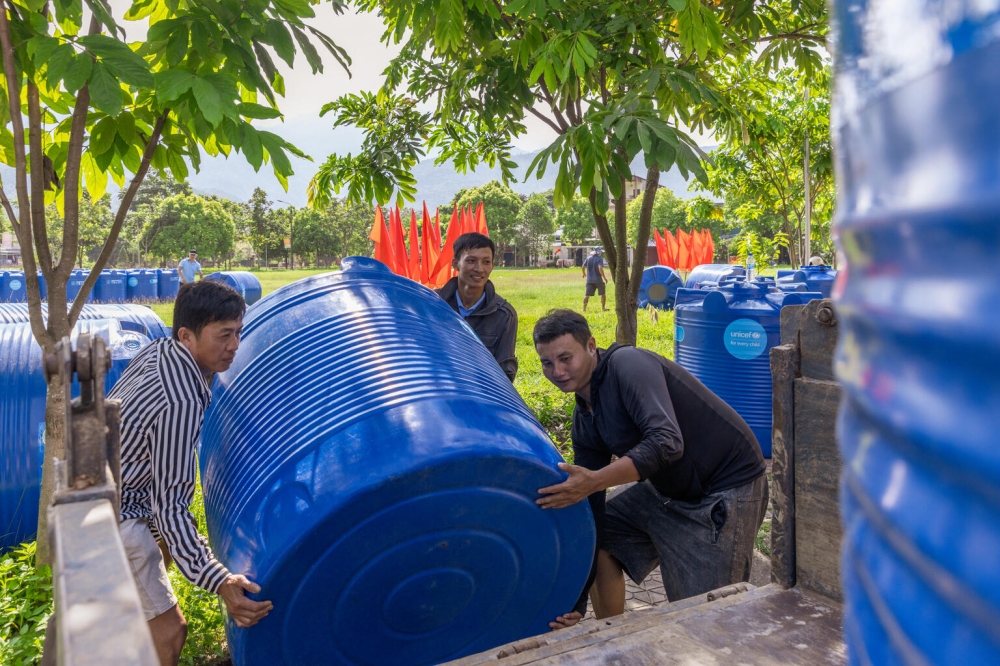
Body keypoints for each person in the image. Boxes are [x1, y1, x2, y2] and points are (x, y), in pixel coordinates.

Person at [533, 309, 768, 629]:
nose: (557, 371)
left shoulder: (627, 365)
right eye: (547, 363)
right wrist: (576, 604)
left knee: (706, 620)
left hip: (724, 486)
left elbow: (667, 443)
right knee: (599, 537)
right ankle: (610, 636)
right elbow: (592, 504)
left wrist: (595, 481)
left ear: (590, 345)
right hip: (668, 488)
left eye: (565, 358)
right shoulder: (585, 417)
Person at [110, 280, 271, 666]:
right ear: (187, 334)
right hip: (117, 510)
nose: (235, 345)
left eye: (238, 333)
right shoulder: (180, 397)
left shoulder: (160, 349)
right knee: (170, 633)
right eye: (224, 335)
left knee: (159, 559)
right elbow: (170, 507)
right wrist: (220, 580)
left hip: (106, 482)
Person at [437, 232, 519, 382]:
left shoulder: (504, 315)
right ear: (455, 264)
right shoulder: (433, 304)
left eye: (486, 262)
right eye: (471, 261)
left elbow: (505, 372)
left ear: (492, 266)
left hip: (480, 395)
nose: (479, 269)